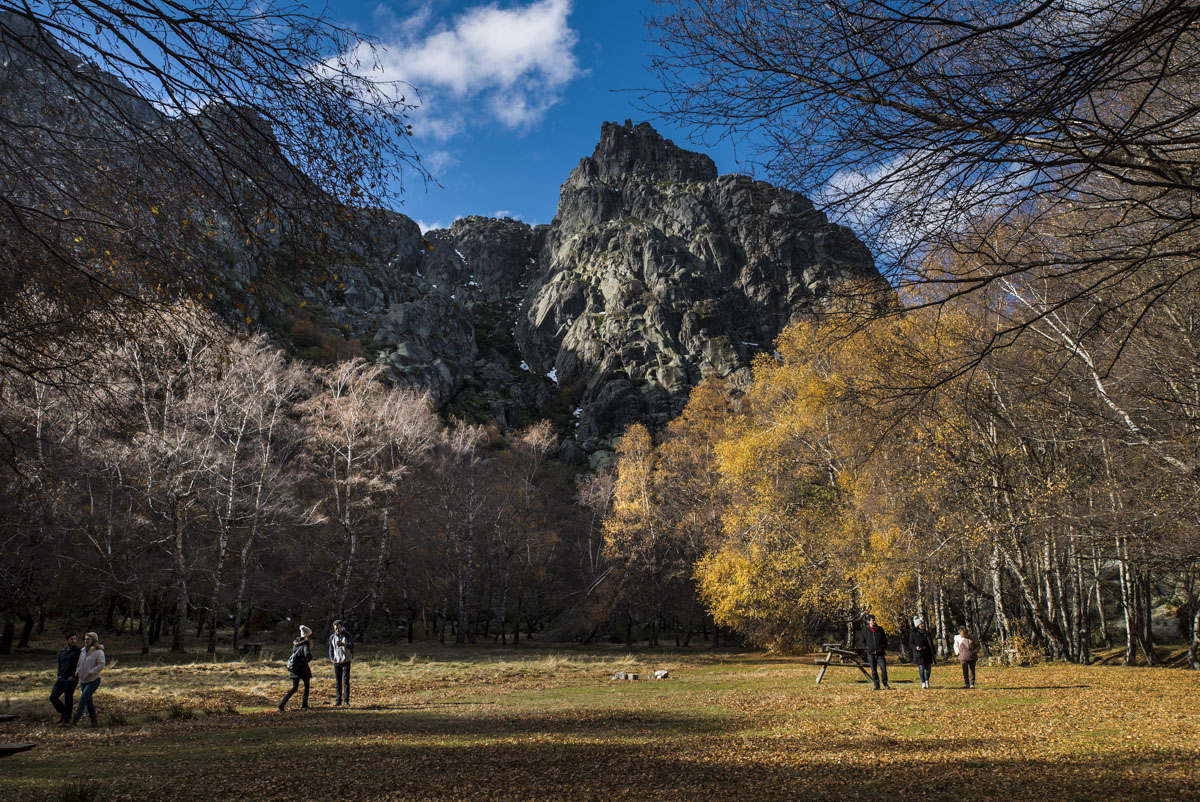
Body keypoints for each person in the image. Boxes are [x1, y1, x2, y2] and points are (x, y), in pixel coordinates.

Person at [71, 632, 105, 726]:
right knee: (88, 700)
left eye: (88, 639)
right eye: (85, 639)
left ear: (93, 640)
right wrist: (77, 671)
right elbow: (79, 663)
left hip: (93, 679)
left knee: (83, 699)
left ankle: (75, 720)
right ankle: (94, 721)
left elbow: (101, 664)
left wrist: (91, 672)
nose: (86, 641)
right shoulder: (83, 652)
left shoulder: (98, 651)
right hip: (83, 679)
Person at [279, 625, 312, 711]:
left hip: (294, 668)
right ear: (307, 635)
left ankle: (282, 704)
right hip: (302, 668)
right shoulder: (305, 643)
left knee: (294, 688)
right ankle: (304, 705)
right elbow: (307, 654)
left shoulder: (296, 643)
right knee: (307, 686)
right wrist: (309, 658)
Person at [51, 632, 81, 725]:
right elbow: (60, 664)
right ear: (67, 640)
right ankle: (64, 713)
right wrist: (59, 675)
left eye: (75, 639)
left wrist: (74, 676)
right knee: (53, 697)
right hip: (61, 678)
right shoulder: (62, 651)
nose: (73, 641)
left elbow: (80, 664)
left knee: (68, 698)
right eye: (71, 639)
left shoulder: (78, 651)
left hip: (71, 679)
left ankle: (67, 719)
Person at [860, 614, 891, 690]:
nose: (874, 621)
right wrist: (866, 649)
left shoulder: (880, 629)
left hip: (880, 653)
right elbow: (862, 641)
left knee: (883, 668)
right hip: (870, 653)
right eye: (872, 620)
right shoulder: (865, 631)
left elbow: (885, 640)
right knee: (874, 670)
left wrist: (883, 648)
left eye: (874, 620)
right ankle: (876, 685)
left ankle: (885, 683)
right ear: (868, 621)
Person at [329, 619, 354, 708]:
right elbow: (331, 648)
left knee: (346, 682)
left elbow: (352, 645)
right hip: (336, 662)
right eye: (335, 629)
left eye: (339, 629)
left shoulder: (347, 635)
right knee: (338, 682)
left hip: (346, 661)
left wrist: (344, 644)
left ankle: (346, 701)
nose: (337, 631)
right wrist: (331, 657)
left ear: (342, 627)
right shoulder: (332, 637)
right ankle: (338, 700)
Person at [910, 616, 935, 689]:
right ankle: (923, 682)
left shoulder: (927, 633)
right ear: (917, 625)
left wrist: (933, 652)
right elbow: (911, 643)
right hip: (919, 654)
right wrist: (916, 647)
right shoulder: (914, 633)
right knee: (921, 668)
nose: (922, 625)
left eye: (923, 624)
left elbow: (931, 643)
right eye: (921, 624)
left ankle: (927, 680)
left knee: (928, 669)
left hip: (927, 653)